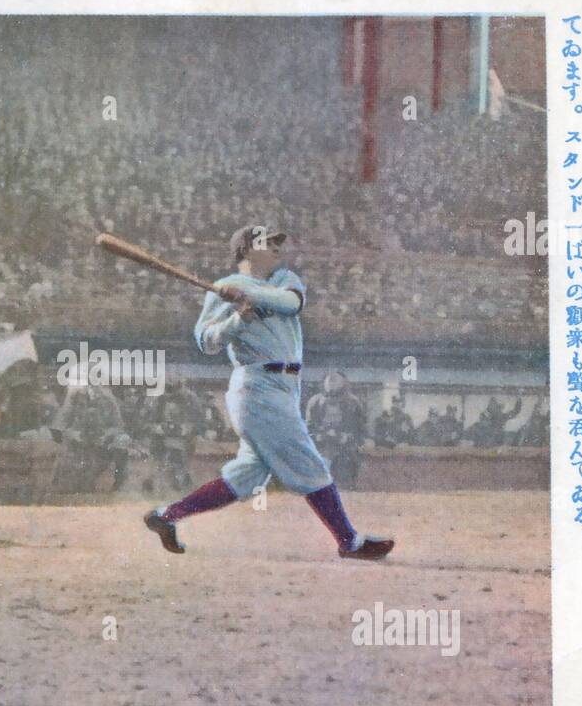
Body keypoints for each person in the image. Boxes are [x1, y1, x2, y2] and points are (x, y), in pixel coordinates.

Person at [143, 224, 394, 560]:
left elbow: (291, 304)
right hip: (256, 387)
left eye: (278, 242)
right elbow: (206, 342)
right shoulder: (224, 289)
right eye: (268, 242)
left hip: (285, 387)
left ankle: (166, 516)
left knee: (245, 476)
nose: (277, 247)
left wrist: (251, 296)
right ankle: (349, 541)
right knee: (309, 462)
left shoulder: (283, 280)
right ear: (246, 249)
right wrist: (237, 320)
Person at [304, 371, 366, 487]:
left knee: (346, 472)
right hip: (321, 446)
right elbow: (308, 427)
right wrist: (318, 436)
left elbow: (360, 428)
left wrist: (348, 437)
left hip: (345, 447)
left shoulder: (353, 403)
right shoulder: (315, 402)